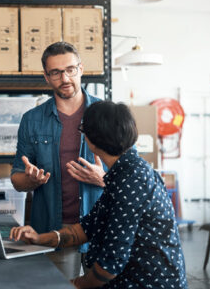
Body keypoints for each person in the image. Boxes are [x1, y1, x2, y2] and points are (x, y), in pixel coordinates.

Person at [10, 101, 188, 289]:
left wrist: (73, 284)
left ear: (92, 140)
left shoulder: (131, 181)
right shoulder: (122, 173)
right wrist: (39, 238)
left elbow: (110, 264)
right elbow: (87, 228)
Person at [11, 42, 106, 279]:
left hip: (103, 229)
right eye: (56, 72)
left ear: (81, 69)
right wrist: (30, 180)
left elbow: (135, 176)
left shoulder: (108, 114)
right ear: (46, 76)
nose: (65, 78)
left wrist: (103, 178)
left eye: (70, 70)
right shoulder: (32, 120)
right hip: (55, 231)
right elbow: (16, 179)